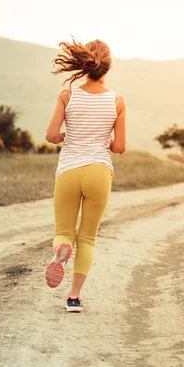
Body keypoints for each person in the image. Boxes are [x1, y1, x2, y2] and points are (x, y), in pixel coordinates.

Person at [44, 37, 126, 313]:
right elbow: (120, 147)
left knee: (64, 232)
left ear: (83, 63)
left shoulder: (67, 95)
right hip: (99, 173)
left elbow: (51, 136)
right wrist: (103, 138)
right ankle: (74, 298)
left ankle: (61, 251)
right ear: (107, 67)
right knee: (88, 238)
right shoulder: (117, 101)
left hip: (68, 170)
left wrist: (70, 134)